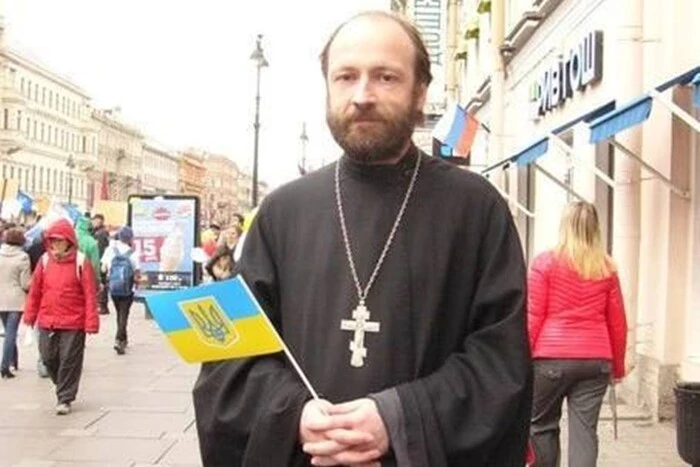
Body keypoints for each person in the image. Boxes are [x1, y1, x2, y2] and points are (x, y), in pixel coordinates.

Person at [193, 11, 532, 467]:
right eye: (346, 77)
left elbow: (500, 363)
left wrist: (398, 419)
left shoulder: (476, 209)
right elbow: (227, 357)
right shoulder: (282, 212)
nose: (362, 95)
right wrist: (295, 414)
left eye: (385, 77)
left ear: (420, 91)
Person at [527, 201, 627, 467]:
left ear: (565, 226)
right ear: (596, 229)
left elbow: (533, 316)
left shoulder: (544, 263)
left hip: (550, 359)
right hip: (595, 361)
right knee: (585, 431)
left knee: (541, 425)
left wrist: (522, 357)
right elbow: (617, 322)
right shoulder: (607, 267)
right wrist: (616, 368)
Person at [23, 219, 99, 415]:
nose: (57, 244)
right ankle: (62, 384)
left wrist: (91, 322)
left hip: (74, 321)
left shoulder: (81, 262)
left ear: (69, 242)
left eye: (60, 241)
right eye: (53, 241)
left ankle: (65, 397)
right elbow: (35, 291)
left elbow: (90, 293)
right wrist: (29, 318)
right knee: (48, 358)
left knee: (69, 360)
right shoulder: (44, 261)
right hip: (48, 319)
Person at [101, 226, 140, 355]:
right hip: (128, 288)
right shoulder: (133, 252)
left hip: (113, 287)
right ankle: (119, 339)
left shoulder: (110, 250)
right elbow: (137, 272)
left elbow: (103, 268)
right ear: (130, 238)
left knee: (119, 313)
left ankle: (123, 338)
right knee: (124, 314)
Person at [0, 228, 31, 378]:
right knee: (11, 333)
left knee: (7, 330)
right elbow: (25, 284)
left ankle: (14, 360)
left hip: (1, 298)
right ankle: (5, 366)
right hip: (16, 299)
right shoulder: (23, 257)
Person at [91, 214, 111, 315]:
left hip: (101, 261)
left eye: (95, 221)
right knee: (103, 283)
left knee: (101, 282)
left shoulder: (100, 233)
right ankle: (103, 305)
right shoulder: (101, 232)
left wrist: (99, 262)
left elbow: (100, 249)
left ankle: (102, 305)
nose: (93, 223)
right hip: (103, 261)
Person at [74, 216, 101, 287]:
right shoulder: (91, 242)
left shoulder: (70, 238)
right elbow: (95, 264)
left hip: (70, 278)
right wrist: (97, 281)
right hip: (86, 279)